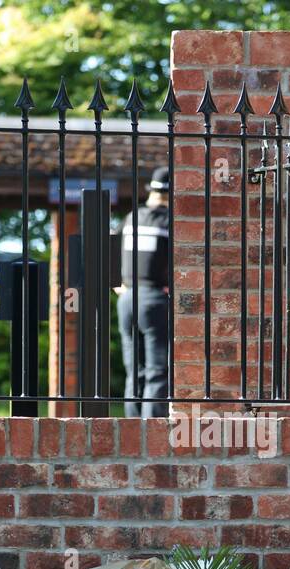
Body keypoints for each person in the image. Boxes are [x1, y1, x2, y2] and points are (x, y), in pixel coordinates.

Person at [115, 166, 171, 418]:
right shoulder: (169, 222)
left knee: (133, 370)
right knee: (157, 370)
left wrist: (120, 287)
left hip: (126, 299)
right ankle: (153, 435)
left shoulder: (130, 218)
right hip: (155, 298)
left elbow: (106, 255)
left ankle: (131, 432)